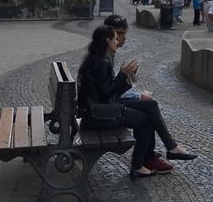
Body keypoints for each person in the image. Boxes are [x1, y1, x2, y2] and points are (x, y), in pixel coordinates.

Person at [77, 27, 192, 179]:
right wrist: (122, 75)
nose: (117, 42)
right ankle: (139, 165)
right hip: (98, 114)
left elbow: (108, 93)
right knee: (145, 120)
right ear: (107, 40)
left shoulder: (97, 58)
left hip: (99, 109)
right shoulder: (101, 62)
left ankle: (171, 147)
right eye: (115, 39)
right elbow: (106, 95)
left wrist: (126, 77)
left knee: (150, 105)